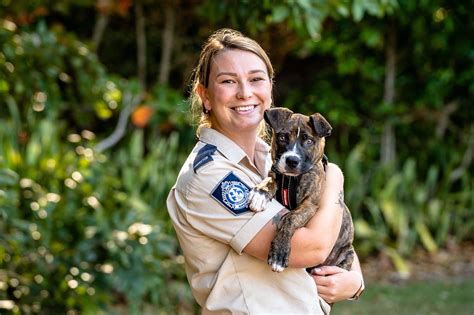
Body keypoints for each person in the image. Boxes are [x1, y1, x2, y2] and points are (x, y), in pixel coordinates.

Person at [167, 28, 364, 314]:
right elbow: (313, 247)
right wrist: (333, 177)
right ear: (205, 95)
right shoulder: (210, 175)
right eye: (228, 81)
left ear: (270, 90)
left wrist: (355, 281)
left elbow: (338, 230)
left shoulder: (270, 159)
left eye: (256, 79)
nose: (245, 92)